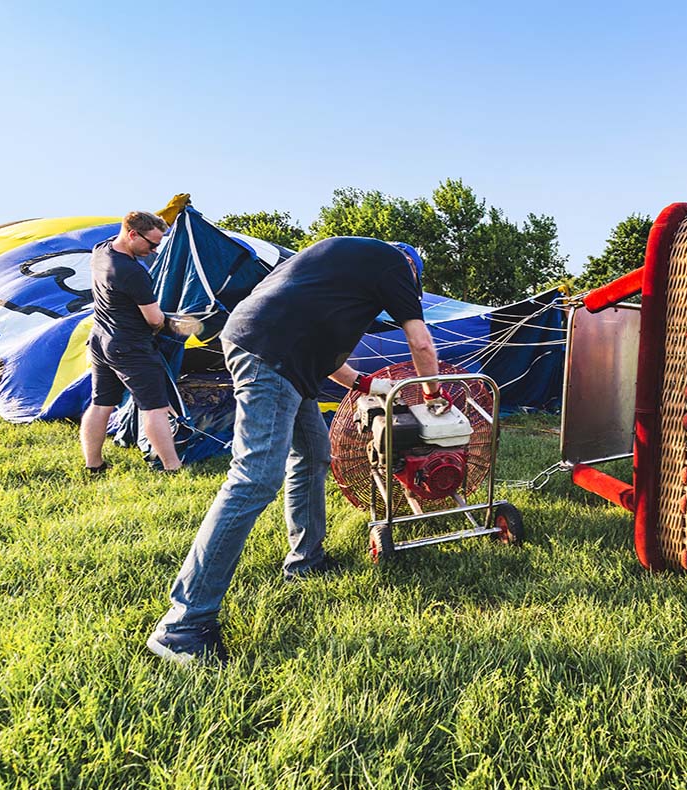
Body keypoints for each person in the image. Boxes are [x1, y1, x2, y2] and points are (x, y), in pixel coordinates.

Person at [147, 236, 447, 664]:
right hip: (270, 356)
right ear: (413, 270)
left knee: (312, 453)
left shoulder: (337, 260)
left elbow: (322, 352)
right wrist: (433, 396)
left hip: (268, 346)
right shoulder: (397, 264)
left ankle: (306, 560)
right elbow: (421, 342)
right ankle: (182, 625)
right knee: (254, 478)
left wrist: (367, 385)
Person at [80, 211, 182, 474]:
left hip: (101, 340)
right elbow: (154, 319)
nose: (154, 250)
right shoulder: (132, 272)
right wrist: (172, 322)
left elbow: (136, 224)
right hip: (130, 346)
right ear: (133, 235)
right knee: (155, 407)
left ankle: (94, 465)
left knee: (101, 403)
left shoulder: (101, 250)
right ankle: (172, 467)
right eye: (152, 244)